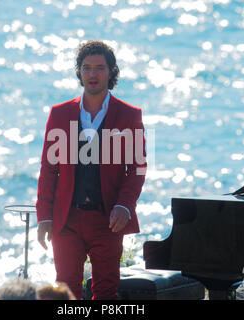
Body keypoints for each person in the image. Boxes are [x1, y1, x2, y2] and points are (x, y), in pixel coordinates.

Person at [36, 40, 146, 300]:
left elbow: (137, 167)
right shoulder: (59, 114)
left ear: (111, 72)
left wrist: (124, 205)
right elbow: (48, 168)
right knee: (65, 291)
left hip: (107, 219)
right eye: (86, 68)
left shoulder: (129, 115)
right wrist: (44, 216)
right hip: (67, 220)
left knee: (106, 292)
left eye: (99, 68)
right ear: (79, 72)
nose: (93, 74)